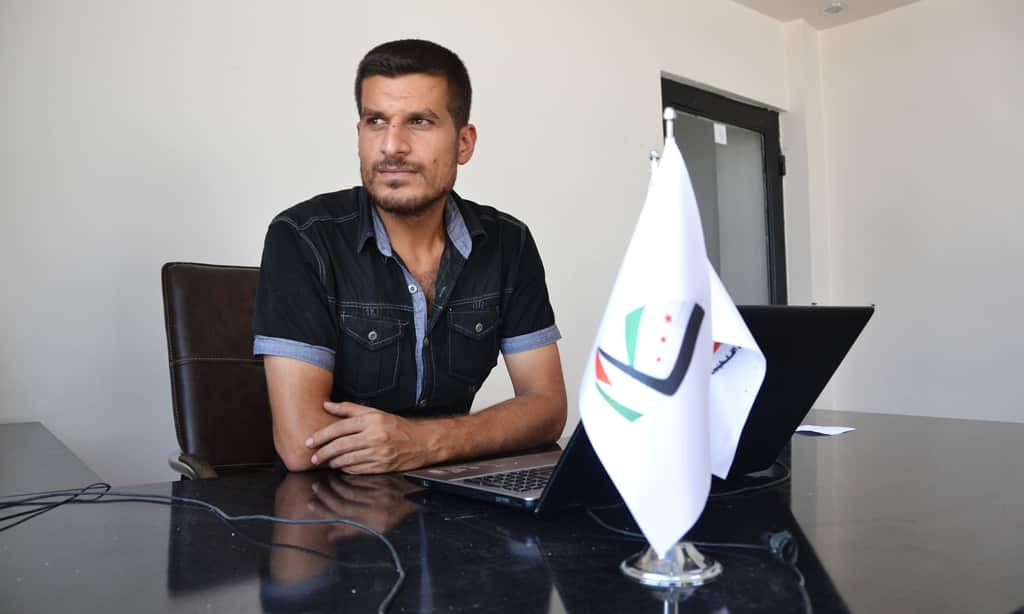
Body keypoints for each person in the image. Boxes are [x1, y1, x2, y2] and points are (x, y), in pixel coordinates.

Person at [253, 39, 567, 474]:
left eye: (419, 121)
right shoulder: (302, 239)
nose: (392, 146)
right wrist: (459, 438)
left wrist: (424, 443)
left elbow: (547, 408)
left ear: (464, 142)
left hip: (454, 492)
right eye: (375, 121)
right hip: (331, 515)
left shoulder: (507, 243)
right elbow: (302, 443)